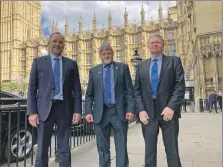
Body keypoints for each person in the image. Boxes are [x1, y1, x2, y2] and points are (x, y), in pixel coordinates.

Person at [27, 32, 82, 167]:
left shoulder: (71, 64)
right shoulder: (38, 62)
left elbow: (77, 89)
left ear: (64, 45)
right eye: (55, 41)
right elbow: (32, 88)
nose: (57, 44)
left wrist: (77, 111)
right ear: (49, 43)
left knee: (64, 148)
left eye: (60, 42)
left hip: (65, 108)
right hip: (44, 110)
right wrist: (32, 112)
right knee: (42, 149)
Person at [134, 34, 185, 167]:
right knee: (149, 151)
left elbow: (179, 86)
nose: (155, 44)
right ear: (148, 46)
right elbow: (137, 91)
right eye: (152, 43)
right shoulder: (141, 66)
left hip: (168, 112)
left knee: (172, 150)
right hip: (148, 114)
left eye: (158, 42)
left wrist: (171, 107)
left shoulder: (174, 61)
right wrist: (140, 110)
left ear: (163, 45)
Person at [85, 43, 135, 167]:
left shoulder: (122, 68)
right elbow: (89, 94)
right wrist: (88, 112)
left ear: (112, 53)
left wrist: (130, 109)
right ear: (100, 56)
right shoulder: (94, 71)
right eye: (103, 53)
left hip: (119, 113)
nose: (106, 55)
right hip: (101, 114)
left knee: (121, 146)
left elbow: (129, 91)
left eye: (109, 53)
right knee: (102, 147)